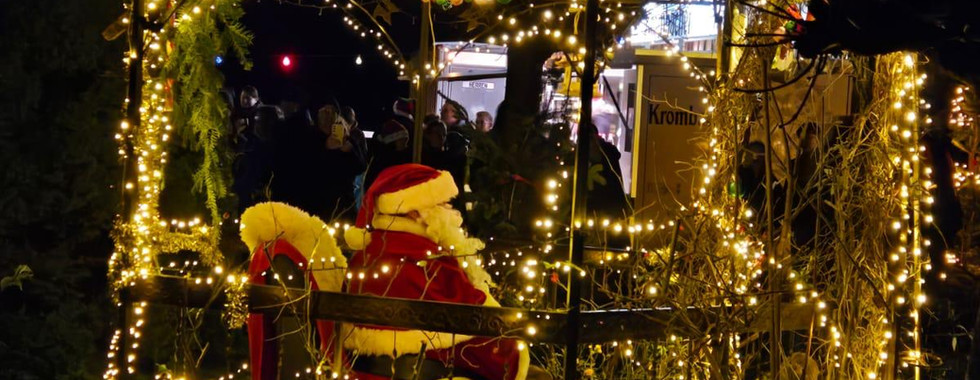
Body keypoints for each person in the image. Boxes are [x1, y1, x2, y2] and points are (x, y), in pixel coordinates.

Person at [344, 164, 551, 380]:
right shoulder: (432, 261)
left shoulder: (365, 256)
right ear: (415, 212)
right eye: (442, 204)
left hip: (361, 372)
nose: (451, 212)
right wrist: (512, 353)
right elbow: (479, 328)